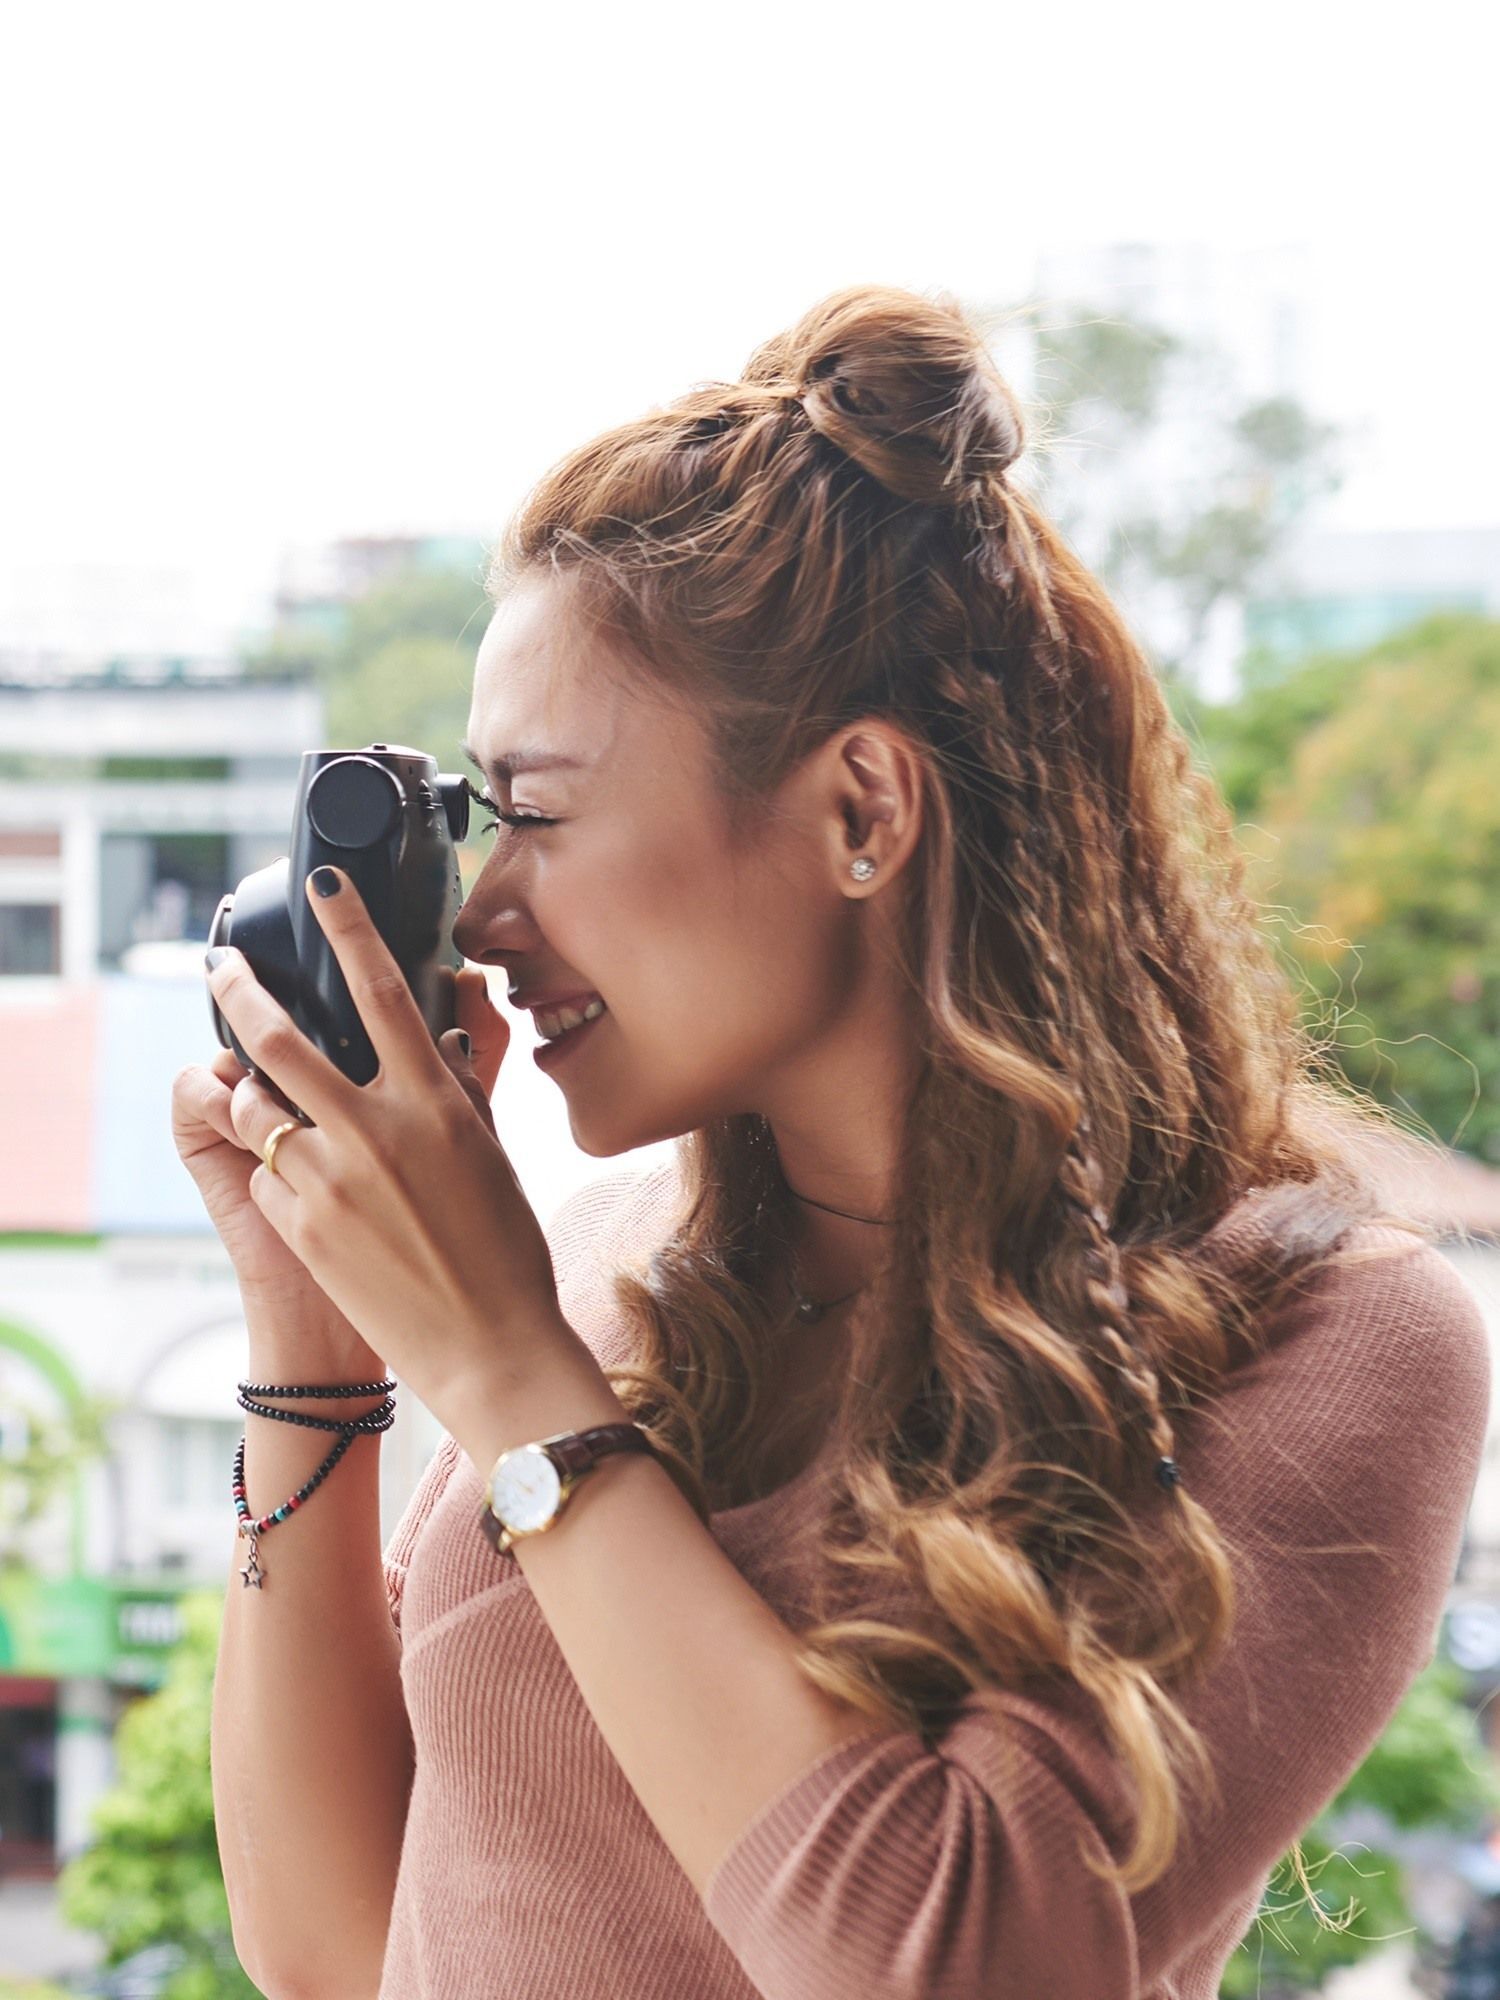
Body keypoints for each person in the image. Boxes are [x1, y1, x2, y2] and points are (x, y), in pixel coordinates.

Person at [171, 284, 1490, 2000]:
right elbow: (338, 1949)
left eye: (542, 813)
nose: (484, 911)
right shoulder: (601, 1262)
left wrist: (505, 1369)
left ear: (862, 807)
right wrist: (316, 1338)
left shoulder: (1322, 1335)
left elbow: (953, 1964)